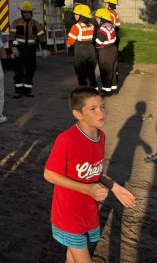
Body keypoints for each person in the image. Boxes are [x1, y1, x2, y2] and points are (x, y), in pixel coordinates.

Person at [43, 86, 136, 263]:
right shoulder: (67, 139)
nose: (100, 112)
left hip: (89, 209)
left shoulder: (101, 137)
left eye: (102, 107)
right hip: (69, 214)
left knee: (73, 255)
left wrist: (115, 187)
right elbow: (49, 174)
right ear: (78, 114)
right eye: (92, 109)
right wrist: (87, 189)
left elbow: (95, 170)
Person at [9, 1, 43, 97]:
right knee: (18, 70)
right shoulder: (16, 23)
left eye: (28, 12)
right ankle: (18, 91)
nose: (26, 14)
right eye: (24, 12)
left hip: (31, 50)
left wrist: (44, 49)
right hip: (19, 50)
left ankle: (27, 90)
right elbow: (11, 37)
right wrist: (13, 48)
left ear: (31, 13)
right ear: (22, 13)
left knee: (31, 70)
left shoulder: (36, 24)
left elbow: (41, 37)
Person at [67, 4, 98, 89]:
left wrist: (67, 46)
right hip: (90, 50)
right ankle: (94, 89)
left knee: (81, 72)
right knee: (91, 72)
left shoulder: (75, 27)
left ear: (81, 16)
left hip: (80, 51)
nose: (75, 15)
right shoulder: (92, 26)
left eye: (77, 14)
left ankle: (83, 90)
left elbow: (70, 41)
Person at [94, 8, 118, 97]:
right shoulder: (110, 26)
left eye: (97, 18)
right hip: (113, 49)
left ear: (101, 19)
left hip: (105, 52)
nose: (96, 19)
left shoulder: (102, 29)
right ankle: (113, 88)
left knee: (105, 71)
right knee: (112, 69)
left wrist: (95, 43)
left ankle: (107, 90)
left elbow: (99, 42)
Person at [104, 0, 121, 90]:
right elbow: (118, 26)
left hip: (111, 37)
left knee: (109, 59)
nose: (104, 4)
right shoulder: (115, 13)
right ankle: (115, 75)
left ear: (109, 5)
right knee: (114, 57)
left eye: (106, 3)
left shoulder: (109, 14)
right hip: (115, 36)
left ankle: (110, 79)